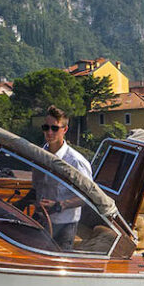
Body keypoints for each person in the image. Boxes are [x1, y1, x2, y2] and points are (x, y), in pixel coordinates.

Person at [33, 105, 92, 250]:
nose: (49, 132)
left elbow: (88, 196)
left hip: (65, 226)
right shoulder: (38, 155)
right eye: (46, 127)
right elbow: (36, 187)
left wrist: (60, 205)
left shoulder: (76, 162)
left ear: (64, 130)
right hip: (40, 221)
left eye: (54, 128)